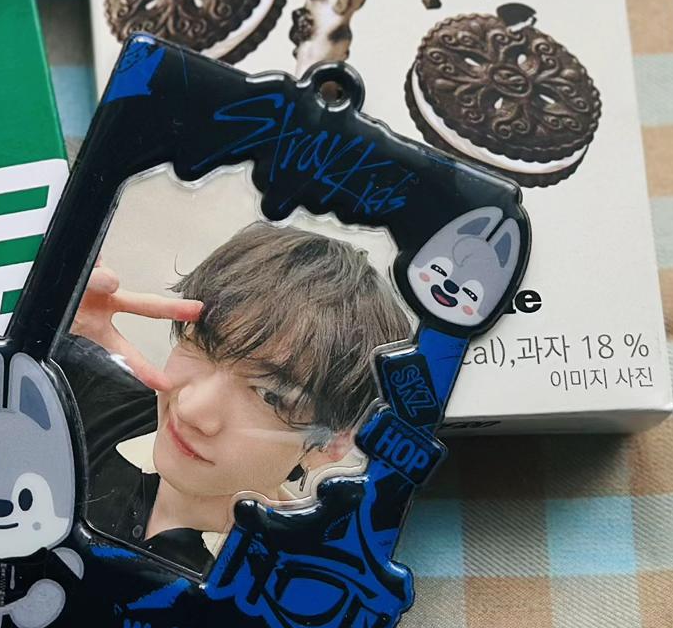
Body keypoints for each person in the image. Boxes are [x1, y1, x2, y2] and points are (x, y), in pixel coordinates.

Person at [57, 220, 413, 576]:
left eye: (269, 395)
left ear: (334, 441)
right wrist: (53, 316)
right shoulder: (75, 398)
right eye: (201, 342)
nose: (190, 409)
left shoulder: (281, 588)